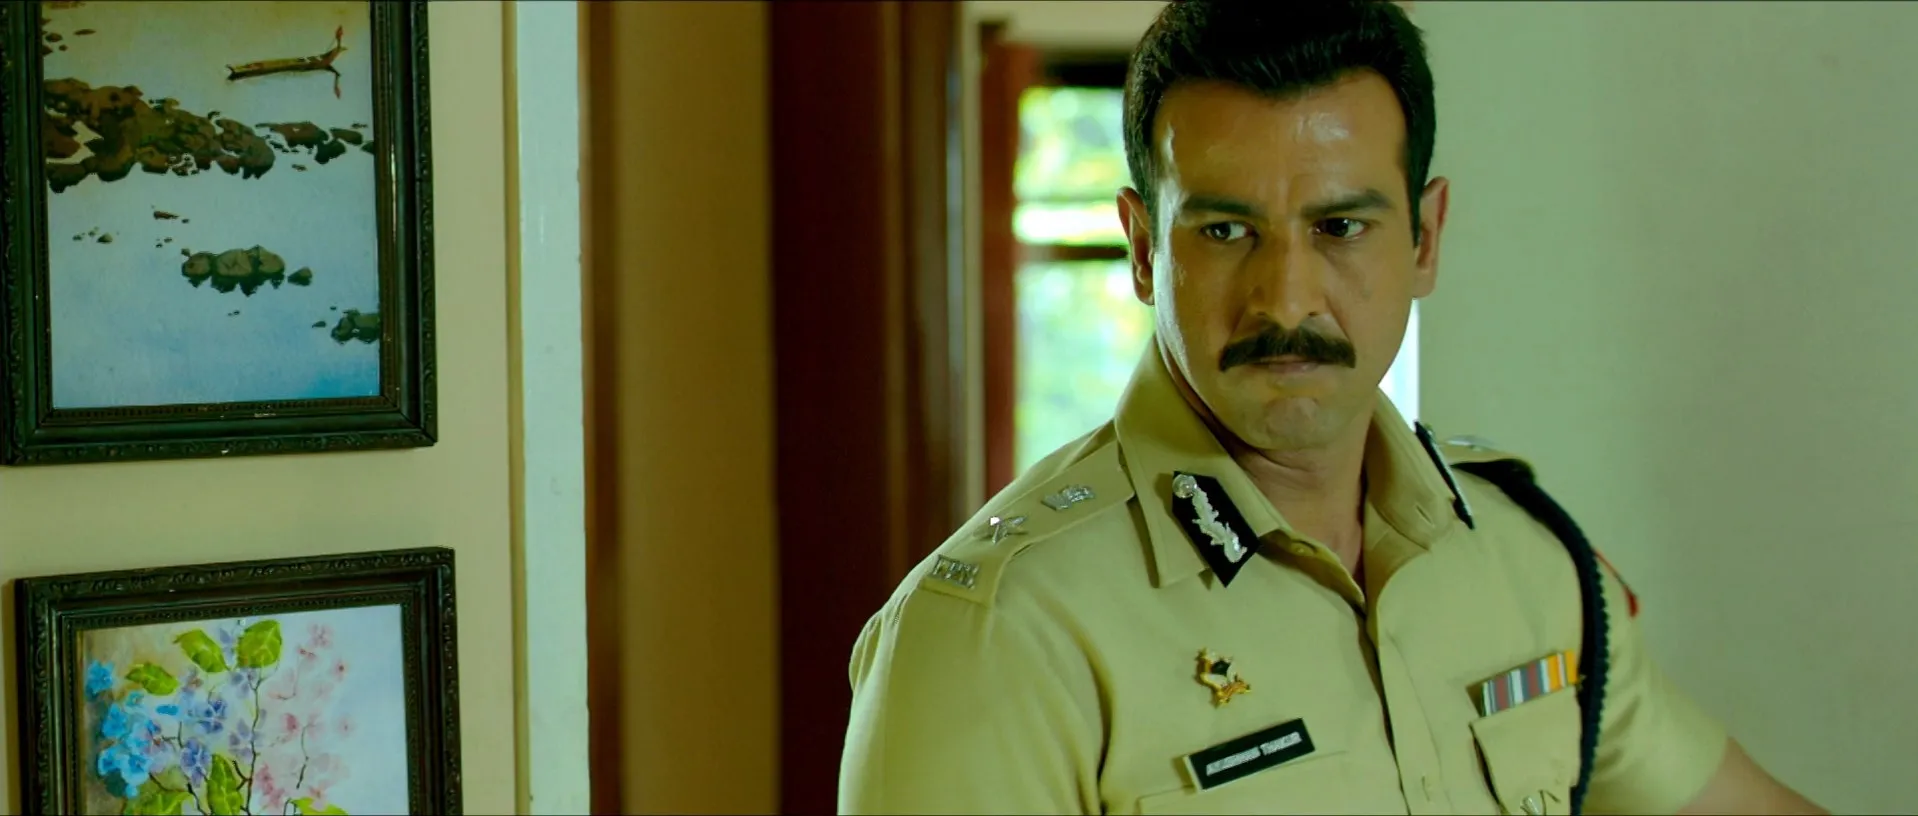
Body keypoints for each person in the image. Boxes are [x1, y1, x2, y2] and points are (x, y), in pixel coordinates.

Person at [837, 1, 1826, 813]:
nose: (1286, 300)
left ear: (1425, 239)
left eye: (1341, 226)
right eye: (1225, 231)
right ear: (1142, 250)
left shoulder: (1525, 565)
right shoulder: (999, 636)